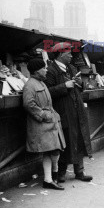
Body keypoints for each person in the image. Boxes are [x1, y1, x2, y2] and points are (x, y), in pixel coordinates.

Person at [45, 42, 93, 183]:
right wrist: (64, 86)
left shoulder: (71, 68)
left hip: (77, 111)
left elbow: (80, 88)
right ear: (60, 54)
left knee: (79, 138)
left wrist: (80, 83)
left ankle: (80, 171)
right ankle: (61, 174)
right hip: (63, 112)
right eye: (69, 53)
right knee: (64, 142)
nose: (71, 56)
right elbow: (47, 92)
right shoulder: (50, 71)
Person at [23, 57, 65, 191]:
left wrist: (54, 114)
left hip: (50, 123)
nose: (46, 70)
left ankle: (52, 177)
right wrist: (43, 115)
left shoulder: (41, 83)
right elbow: (29, 104)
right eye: (44, 68)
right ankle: (50, 178)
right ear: (36, 71)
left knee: (54, 150)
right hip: (42, 124)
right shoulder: (30, 85)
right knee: (50, 151)